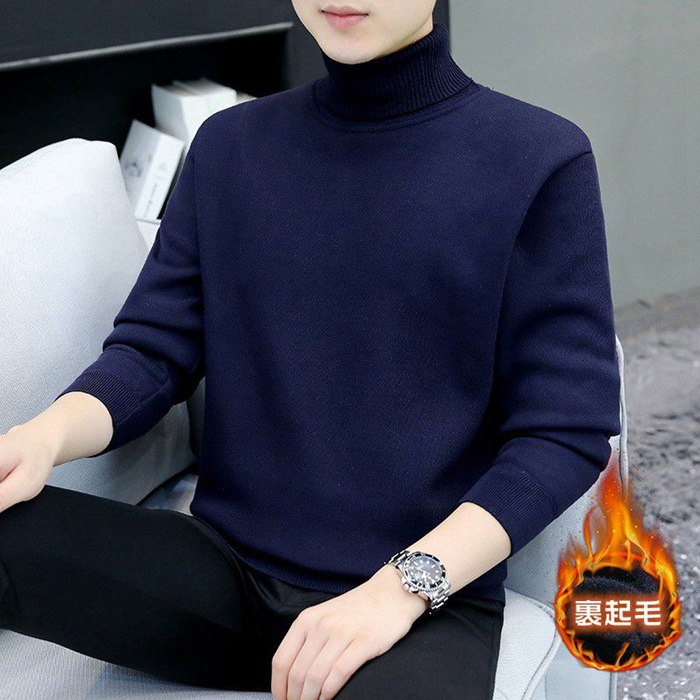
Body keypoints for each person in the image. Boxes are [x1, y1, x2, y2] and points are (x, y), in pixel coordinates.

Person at [0, 2, 621, 699]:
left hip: (420, 606)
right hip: (222, 576)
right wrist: (42, 437)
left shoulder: (539, 158)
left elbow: (563, 430)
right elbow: (152, 352)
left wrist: (398, 591)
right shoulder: (230, 146)